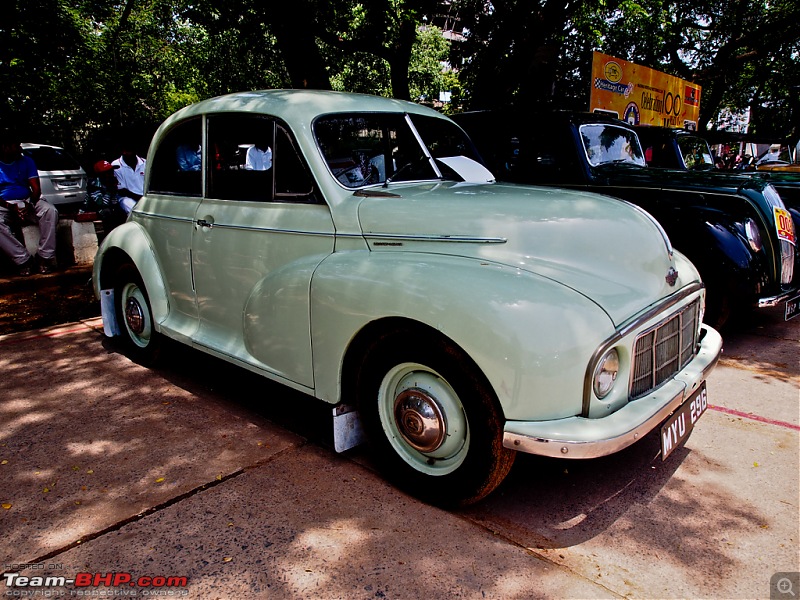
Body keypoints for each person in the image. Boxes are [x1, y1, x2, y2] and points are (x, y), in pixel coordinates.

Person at [0, 130, 59, 275]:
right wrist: (10, 206)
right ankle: (23, 260)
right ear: (5, 147)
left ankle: (44, 257)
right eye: (16, 146)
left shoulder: (27, 161)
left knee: (50, 211)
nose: (20, 149)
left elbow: (36, 188)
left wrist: (28, 204)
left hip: (27, 201)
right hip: (4, 205)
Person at [88, 160, 126, 233]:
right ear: (101, 174)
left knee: (121, 212)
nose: (112, 174)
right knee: (107, 213)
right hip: (95, 208)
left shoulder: (110, 181)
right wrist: (109, 190)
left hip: (108, 207)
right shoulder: (94, 184)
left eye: (111, 171)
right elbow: (101, 203)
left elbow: (114, 202)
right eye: (108, 172)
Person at [112, 142, 146, 214]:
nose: (125, 153)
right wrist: (141, 199)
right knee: (134, 210)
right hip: (127, 198)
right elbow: (123, 191)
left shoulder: (145, 163)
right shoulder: (116, 165)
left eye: (128, 151)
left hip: (144, 196)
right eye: (123, 151)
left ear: (134, 151)